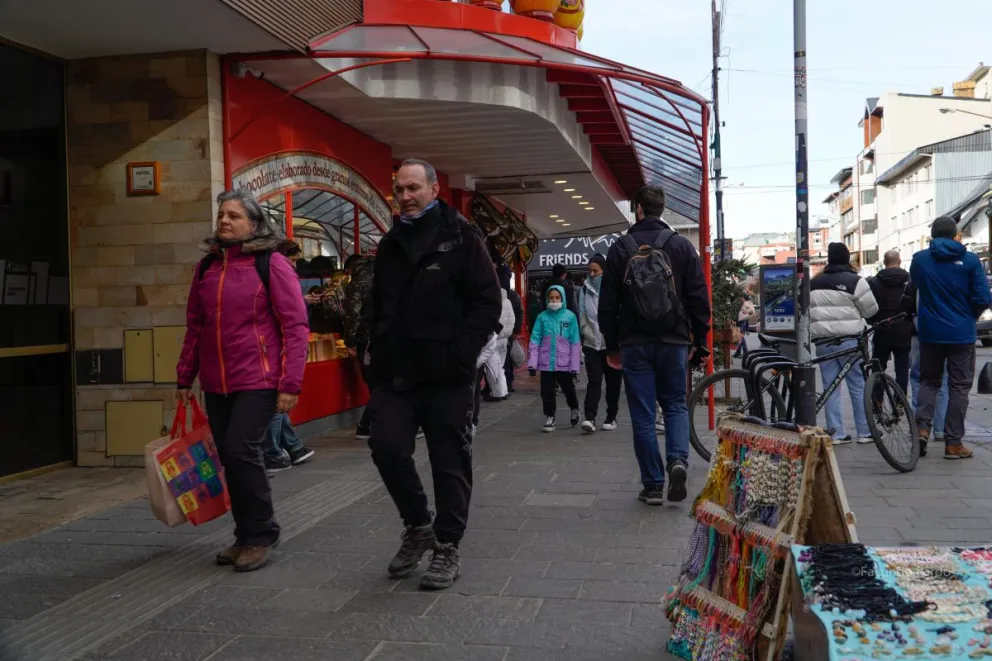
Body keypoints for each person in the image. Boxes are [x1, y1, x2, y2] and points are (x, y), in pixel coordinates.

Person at [365, 158, 501, 590]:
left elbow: (487, 301)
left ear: (433, 189)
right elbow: (378, 304)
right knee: (386, 446)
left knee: (449, 462)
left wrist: (462, 356)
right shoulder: (390, 244)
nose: (405, 197)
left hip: (446, 374)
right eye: (399, 190)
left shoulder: (461, 237)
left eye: (412, 188)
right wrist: (372, 348)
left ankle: (447, 546)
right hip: (396, 373)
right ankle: (417, 524)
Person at [176, 190, 309, 572]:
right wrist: (184, 377)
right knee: (229, 455)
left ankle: (261, 533)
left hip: (259, 378)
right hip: (217, 382)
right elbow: (195, 327)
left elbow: (295, 326)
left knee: (241, 449)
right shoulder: (206, 269)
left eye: (234, 215)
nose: (225, 221)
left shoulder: (272, 263)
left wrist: (290, 383)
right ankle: (245, 532)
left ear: (253, 222)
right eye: (221, 214)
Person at [599, 185, 711, 507]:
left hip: (634, 343)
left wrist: (611, 346)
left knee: (643, 415)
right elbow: (698, 297)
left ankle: (652, 485)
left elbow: (608, 304)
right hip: (674, 339)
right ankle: (677, 460)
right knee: (675, 404)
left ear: (637, 209)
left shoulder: (621, 248)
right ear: (662, 209)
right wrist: (699, 340)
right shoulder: (681, 247)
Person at [909, 216, 992, 460]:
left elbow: (917, 285)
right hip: (961, 334)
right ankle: (953, 443)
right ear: (956, 234)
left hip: (930, 332)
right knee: (959, 386)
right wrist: (968, 316)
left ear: (933, 236)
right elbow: (983, 298)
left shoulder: (920, 259)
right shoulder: (969, 260)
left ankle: (922, 429)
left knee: (928, 382)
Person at [810, 242, 878, 445]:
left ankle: (836, 432)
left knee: (830, 387)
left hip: (823, 342)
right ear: (847, 258)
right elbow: (871, 311)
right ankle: (865, 432)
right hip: (851, 341)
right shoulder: (856, 281)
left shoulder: (814, 283)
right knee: (858, 385)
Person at [262, 240, 315, 472]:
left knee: (278, 407)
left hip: (275, 352)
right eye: (292, 259)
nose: (293, 265)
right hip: (271, 353)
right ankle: (282, 450)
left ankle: (289, 449)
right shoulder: (271, 269)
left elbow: (294, 323)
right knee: (276, 407)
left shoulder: (276, 269)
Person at [902, 279, 949, 451]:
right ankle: (940, 429)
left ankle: (919, 427)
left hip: (920, 333)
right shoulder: (951, 277)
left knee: (919, 379)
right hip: (946, 333)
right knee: (942, 381)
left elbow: (906, 305)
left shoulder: (918, 278)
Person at [528, 285, 582, 432]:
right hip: (546, 363)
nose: (554, 300)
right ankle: (550, 416)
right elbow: (535, 340)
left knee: (568, 389)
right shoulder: (542, 317)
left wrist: (574, 366)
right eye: (551, 298)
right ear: (546, 299)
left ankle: (574, 407)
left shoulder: (570, 317)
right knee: (546, 391)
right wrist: (532, 363)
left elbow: (575, 343)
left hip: (564, 363)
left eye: (557, 297)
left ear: (562, 298)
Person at [578, 254, 621, 432]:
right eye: (590, 271)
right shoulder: (584, 289)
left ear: (604, 270)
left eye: (596, 270)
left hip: (611, 344)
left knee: (613, 382)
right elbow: (582, 314)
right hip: (591, 343)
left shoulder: (613, 288)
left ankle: (611, 417)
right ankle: (590, 417)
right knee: (594, 380)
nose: (592, 274)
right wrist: (585, 332)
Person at [866, 250, 912, 394]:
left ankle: (877, 402)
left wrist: (873, 321)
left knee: (878, 368)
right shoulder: (910, 280)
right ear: (899, 261)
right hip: (904, 329)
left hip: (882, 328)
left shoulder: (874, 282)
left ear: (884, 263)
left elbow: (869, 306)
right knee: (902, 369)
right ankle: (900, 401)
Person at [343, 252, 375, 440]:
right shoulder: (383, 275)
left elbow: (352, 315)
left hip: (366, 338)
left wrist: (349, 340)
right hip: (384, 337)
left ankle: (366, 424)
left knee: (376, 383)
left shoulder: (358, 282)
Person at [498, 266, 523, 393]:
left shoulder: (500, 294)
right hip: (508, 332)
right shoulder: (514, 295)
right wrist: (516, 330)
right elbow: (519, 314)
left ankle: (501, 385)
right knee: (506, 360)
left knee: (500, 361)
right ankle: (507, 383)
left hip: (499, 333)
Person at [733, 293, 755, 358]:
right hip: (742, 320)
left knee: (740, 336)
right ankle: (738, 352)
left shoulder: (743, 303)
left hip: (740, 321)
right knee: (739, 335)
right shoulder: (746, 304)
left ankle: (745, 352)